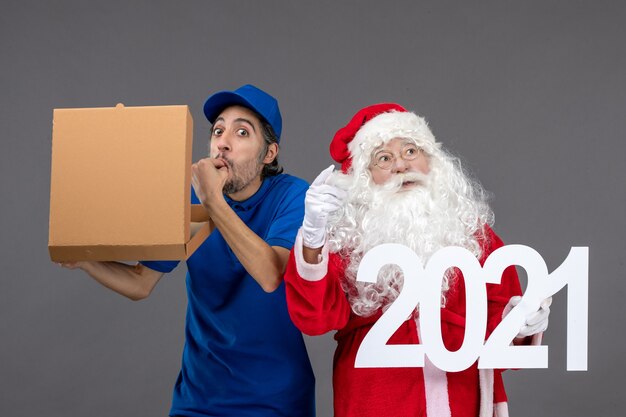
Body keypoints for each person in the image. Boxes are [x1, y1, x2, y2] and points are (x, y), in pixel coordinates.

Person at [59, 84, 315, 417]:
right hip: (199, 400)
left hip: (276, 401)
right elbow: (140, 283)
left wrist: (213, 202)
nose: (223, 142)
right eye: (218, 130)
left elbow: (270, 274)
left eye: (241, 132)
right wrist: (86, 262)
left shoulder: (292, 196)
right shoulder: (194, 205)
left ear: (269, 154)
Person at [284, 103, 551, 417]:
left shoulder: (476, 237)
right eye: (384, 158)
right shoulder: (348, 243)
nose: (401, 165)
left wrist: (520, 326)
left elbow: (503, 348)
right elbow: (314, 320)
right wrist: (313, 233)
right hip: (376, 399)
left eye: (410, 151)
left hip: (462, 398)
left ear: (432, 161)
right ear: (365, 178)